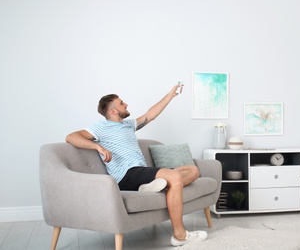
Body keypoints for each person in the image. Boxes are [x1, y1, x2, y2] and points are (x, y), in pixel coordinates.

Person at [65, 84, 208, 246]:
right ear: (113, 111)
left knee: (193, 170)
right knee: (175, 176)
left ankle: (157, 186)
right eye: (121, 103)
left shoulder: (128, 125)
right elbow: (71, 137)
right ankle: (179, 235)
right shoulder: (101, 127)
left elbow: (150, 115)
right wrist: (98, 146)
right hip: (126, 175)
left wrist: (170, 95)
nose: (125, 104)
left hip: (141, 171)